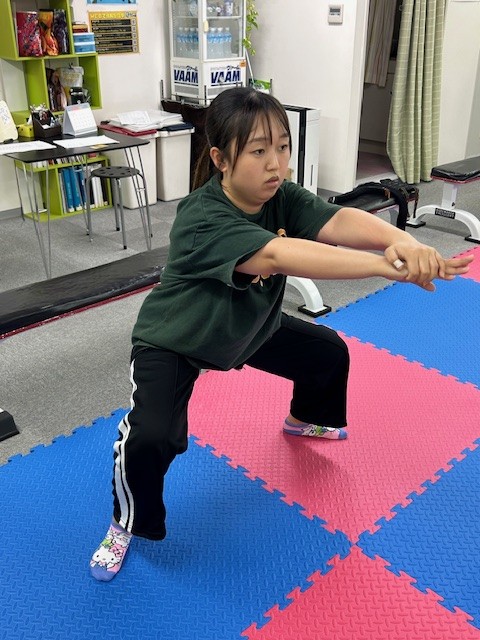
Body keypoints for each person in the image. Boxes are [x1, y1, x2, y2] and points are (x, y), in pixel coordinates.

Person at [89, 87, 473, 581]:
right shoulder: (202, 217)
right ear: (220, 159)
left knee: (326, 352)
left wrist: (402, 239)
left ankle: (303, 419)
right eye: (258, 151)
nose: (276, 164)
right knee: (151, 436)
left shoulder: (280, 196)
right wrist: (387, 266)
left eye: (282, 147)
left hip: (247, 326)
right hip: (178, 336)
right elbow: (276, 255)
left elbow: (337, 219)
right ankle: (125, 523)